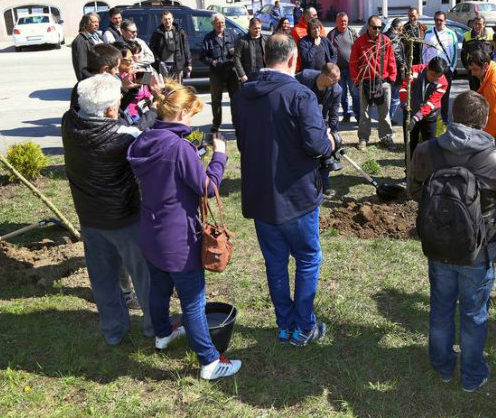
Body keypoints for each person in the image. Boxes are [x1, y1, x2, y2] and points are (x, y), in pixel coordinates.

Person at [126, 81, 240, 380]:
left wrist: (193, 156)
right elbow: (208, 188)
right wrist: (219, 155)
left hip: (150, 232)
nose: (192, 121)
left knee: (160, 288)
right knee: (193, 300)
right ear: (181, 112)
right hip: (178, 238)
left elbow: (168, 175)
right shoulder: (179, 148)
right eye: (191, 114)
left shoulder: (142, 141)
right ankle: (210, 361)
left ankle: (162, 334)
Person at [408, 90, 496, 392]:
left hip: (438, 243)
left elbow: (414, 191)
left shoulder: (426, 150)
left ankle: (442, 366)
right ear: (483, 122)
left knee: (440, 307)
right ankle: (471, 375)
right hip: (478, 251)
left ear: (453, 117)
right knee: (474, 313)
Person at [232, 34, 335, 347]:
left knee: (275, 263)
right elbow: (317, 145)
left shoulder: (243, 96)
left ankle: (285, 325)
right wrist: (332, 140)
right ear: (293, 59)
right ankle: (303, 325)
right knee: (306, 258)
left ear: (266, 56)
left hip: (262, 195)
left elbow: (242, 142)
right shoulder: (300, 95)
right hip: (297, 197)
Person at [61, 73, 152, 346]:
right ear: (112, 110)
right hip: (125, 218)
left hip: (89, 216)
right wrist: (156, 105)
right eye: (118, 101)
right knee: (144, 275)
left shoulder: (69, 123)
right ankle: (154, 325)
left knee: (102, 279)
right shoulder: (123, 136)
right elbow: (146, 132)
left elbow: (75, 105)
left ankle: (114, 331)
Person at [350, 15, 397, 150]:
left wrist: (391, 79)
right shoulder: (359, 42)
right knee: (364, 114)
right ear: (368, 27)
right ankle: (363, 138)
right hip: (365, 82)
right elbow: (353, 63)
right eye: (374, 27)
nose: (377, 30)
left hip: (382, 82)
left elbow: (392, 60)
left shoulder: (386, 41)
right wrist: (357, 80)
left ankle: (386, 137)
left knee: (384, 114)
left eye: (379, 27)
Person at [296, 63, 342, 197]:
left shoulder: (336, 90)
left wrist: (332, 134)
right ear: (323, 75)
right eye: (333, 79)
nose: (336, 82)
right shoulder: (304, 78)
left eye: (338, 79)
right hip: (299, 120)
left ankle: (324, 184)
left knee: (325, 152)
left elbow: (334, 114)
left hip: (320, 122)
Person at [399, 57, 449, 156]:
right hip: (410, 112)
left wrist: (416, 118)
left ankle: (428, 170)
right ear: (427, 68)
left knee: (429, 147)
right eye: (433, 75)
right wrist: (405, 104)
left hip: (429, 117)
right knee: (410, 145)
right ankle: (409, 169)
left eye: (438, 76)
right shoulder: (414, 70)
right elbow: (404, 88)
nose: (435, 79)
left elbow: (431, 103)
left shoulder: (443, 82)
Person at [201, 13, 242, 133]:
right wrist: (211, 62)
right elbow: (202, 57)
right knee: (216, 99)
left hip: (231, 70)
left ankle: (236, 122)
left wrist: (236, 51)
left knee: (235, 98)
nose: (220, 25)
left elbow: (240, 49)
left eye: (222, 22)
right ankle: (216, 124)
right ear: (213, 24)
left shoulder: (233, 35)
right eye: (218, 23)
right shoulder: (208, 38)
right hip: (216, 71)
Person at [421, 11, 459, 124]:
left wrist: (451, 68)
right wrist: (425, 67)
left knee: (444, 95)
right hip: (431, 69)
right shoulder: (428, 33)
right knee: (429, 94)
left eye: (441, 20)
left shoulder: (451, 34)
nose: (438, 22)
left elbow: (454, 52)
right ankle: (429, 116)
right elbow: (423, 52)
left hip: (445, 69)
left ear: (445, 21)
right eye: (436, 20)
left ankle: (444, 118)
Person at [327, 12, 359, 123]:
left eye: (345, 21)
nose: (343, 23)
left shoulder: (352, 33)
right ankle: (346, 113)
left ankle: (358, 115)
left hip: (352, 69)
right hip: (338, 70)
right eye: (341, 21)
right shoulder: (331, 34)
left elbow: (358, 49)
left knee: (355, 93)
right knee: (342, 94)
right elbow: (328, 52)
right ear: (337, 21)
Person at [149, 11, 192, 81]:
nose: (167, 21)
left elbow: (186, 48)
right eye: (165, 19)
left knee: (177, 87)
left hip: (177, 64)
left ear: (172, 19)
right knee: (165, 87)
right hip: (163, 65)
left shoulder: (179, 32)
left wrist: (189, 63)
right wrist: (158, 61)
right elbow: (152, 49)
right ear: (162, 21)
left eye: (169, 19)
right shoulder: (157, 33)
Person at [461, 15, 495, 90]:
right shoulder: (467, 36)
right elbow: (463, 54)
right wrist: (468, 68)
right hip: (474, 70)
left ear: (484, 25)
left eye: (479, 24)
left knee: (488, 92)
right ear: (473, 24)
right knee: (474, 93)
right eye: (475, 23)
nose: (477, 26)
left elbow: (494, 52)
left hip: (487, 70)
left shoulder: (490, 35)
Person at [384, 17, 408, 122]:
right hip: (395, 71)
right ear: (399, 28)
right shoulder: (394, 37)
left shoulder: (385, 35)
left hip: (387, 70)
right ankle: (389, 118)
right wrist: (402, 64)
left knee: (389, 97)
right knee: (394, 98)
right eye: (402, 28)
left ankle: (387, 118)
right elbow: (396, 52)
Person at [234, 17, 268, 82]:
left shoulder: (265, 39)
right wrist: (242, 74)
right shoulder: (242, 41)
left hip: (264, 74)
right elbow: (236, 58)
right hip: (248, 75)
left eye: (259, 28)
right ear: (249, 28)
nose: (257, 30)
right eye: (255, 28)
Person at [71, 13, 102, 81]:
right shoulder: (80, 41)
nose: (96, 24)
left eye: (97, 22)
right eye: (93, 22)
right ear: (86, 24)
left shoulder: (98, 36)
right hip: (92, 80)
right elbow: (81, 67)